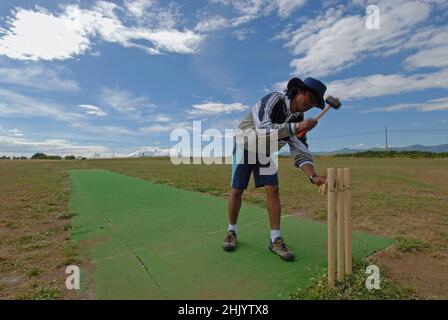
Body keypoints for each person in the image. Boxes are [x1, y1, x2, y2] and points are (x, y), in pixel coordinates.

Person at [223, 77, 328, 261]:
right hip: (245, 144)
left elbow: (299, 148)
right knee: (237, 190)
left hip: (265, 151)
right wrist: (296, 127)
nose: (310, 105)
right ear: (298, 92)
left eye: (314, 104)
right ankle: (231, 232)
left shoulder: (298, 119)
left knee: (273, 189)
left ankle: (275, 240)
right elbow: (263, 129)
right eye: (310, 99)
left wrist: (313, 176)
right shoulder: (274, 99)